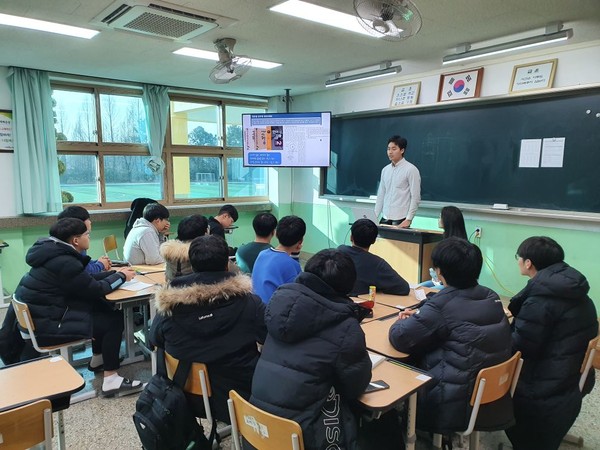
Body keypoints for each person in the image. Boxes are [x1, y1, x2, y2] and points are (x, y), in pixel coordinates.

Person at [388, 237, 512, 435]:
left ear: (439, 271)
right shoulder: (491, 295)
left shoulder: (441, 305)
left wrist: (400, 320)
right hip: (488, 394)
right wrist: (423, 315)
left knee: (394, 364)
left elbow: (400, 338)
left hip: (451, 400)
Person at [250, 249, 371, 450]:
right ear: (348, 286)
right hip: (303, 436)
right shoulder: (346, 327)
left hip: (257, 429)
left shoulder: (279, 306)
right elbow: (355, 387)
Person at [15, 218, 143, 397]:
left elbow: (83, 282)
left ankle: (98, 359)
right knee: (112, 320)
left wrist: (115, 273)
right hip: (48, 327)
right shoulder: (66, 261)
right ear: (76, 240)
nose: (89, 238)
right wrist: (120, 277)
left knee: (101, 309)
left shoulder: (52, 253)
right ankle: (111, 379)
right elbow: (95, 289)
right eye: (87, 235)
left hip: (41, 318)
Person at [150, 234, 267, 423]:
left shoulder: (169, 306)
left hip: (187, 395)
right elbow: (267, 338)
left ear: (192, 266)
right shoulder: (249, 303)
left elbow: (154, 340)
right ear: (227, 265)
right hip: (241, 393)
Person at [505, 236, 598, 450]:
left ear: (528, 263)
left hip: (543, 389)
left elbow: (519, 349)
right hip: (571, 378)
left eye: (518, 258)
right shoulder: (578, 292)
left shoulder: (540, 301)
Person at [338, 218, 409, 296]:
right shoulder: (377, 263)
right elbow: (404, 288)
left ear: (351, 237)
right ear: (374, 241)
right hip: (358, 305)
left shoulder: (340, 251)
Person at [252, 215, 305, 303]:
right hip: (272, 312)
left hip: (256, 307)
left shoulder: (262, 254)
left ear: (276, 234)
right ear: (301, 241)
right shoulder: (292, 265)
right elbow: (297, 295)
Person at [374, 135, 421, 228]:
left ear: (402, 150)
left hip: (401, 218)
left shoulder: (411, 169)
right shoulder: (385, 170)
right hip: (385, 217)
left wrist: (409, 219)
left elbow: (415, 197)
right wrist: (374, 217)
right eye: (388, 149)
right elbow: (381, 195)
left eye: (394, 149)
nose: (390, 152)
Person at [58, 205, 111, 273]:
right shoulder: (74, 244)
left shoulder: (67, 239)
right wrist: (101, 264)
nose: (90, 222)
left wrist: (100, 261)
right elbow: (87, 271)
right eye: (88, 219)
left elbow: (85, 263)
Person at [160, 214, 209, 282]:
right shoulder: (204, 254)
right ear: (205, 232)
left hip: (171, 290)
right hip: (197, 290)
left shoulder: (169, 252)